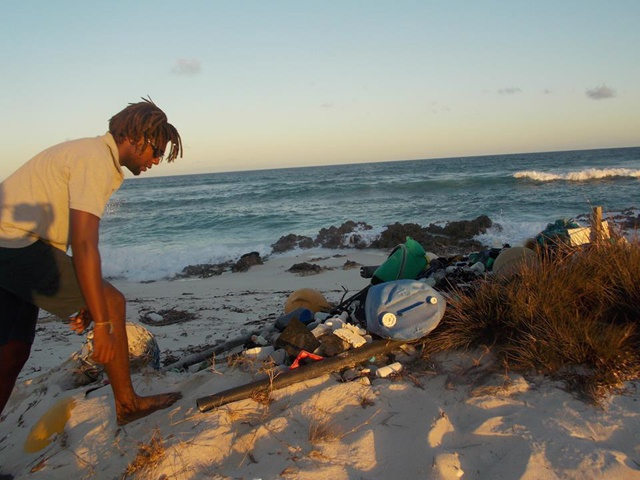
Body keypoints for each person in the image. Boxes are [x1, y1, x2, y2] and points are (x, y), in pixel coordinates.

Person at [0, 97, 183, 425]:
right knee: (112, 304)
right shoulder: (96, 160)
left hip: (15, 245)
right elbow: (85, 244)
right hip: (13, 244)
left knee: (12, 353)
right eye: (157, 150)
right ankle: (127, 404)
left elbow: (68, 241)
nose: (157, 160)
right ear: (134, 138)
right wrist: (100, 322)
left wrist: (86, 295)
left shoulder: (89, 153)